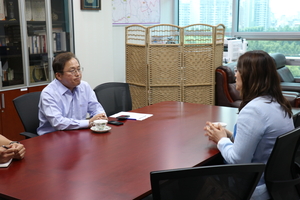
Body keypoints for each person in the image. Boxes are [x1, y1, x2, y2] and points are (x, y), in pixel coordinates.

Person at [204, 50, 294, 200]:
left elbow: (238, 161)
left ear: (248, 76)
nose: (235, 75)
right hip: (273, 185)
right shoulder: (277, 103)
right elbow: (261, 143)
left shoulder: (254, 111)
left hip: (251, 188)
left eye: (237, 70)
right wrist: (230, 136)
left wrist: (221, 140)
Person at [37, 52, 107, 135]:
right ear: (59, 75)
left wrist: (100, 117)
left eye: (78, 69)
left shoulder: (84, 86)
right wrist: (89, 123)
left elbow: (96, 108)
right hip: (52, 137)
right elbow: (58, 122)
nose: (78, 74)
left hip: (77, 133)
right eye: (72, 71)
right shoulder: (49, 93)